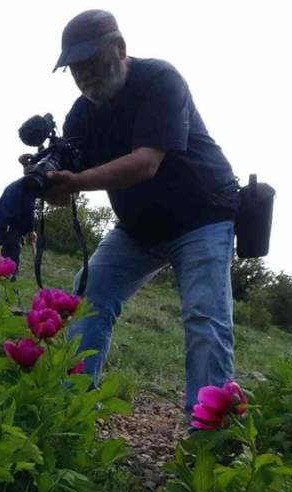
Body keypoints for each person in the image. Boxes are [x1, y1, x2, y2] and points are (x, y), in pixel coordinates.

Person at [37, 9, 241, 415]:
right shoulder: (81, 113)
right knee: (87, 295)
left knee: (205, 317)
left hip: (203, 217)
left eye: (92, 62)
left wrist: (75, 183)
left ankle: (209, 437)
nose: (85, 76)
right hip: (138, 229)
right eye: (76, 69)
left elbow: (145, 162)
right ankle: (69, 413)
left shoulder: (160, 80)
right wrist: (50, 180)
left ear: (120, 49)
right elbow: (73, 168)